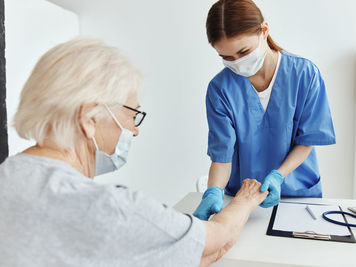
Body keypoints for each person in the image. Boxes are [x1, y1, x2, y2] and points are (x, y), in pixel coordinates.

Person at [0, 38, 268, 267]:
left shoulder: (6, 175)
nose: (134, 131)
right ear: (89, 118)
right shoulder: (109, 209)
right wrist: (245, 200)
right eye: (132, 114)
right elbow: (214, 243)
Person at [194, 0, 336, 221]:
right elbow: (222, 154)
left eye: (244, 51)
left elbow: (306, 140)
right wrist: (214, 191)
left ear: (264, 30)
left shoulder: (304, 74)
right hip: (242, 200)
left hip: (299, 197)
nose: (238, 63)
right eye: (227, 58)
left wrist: (279, 176)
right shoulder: (220, 89)